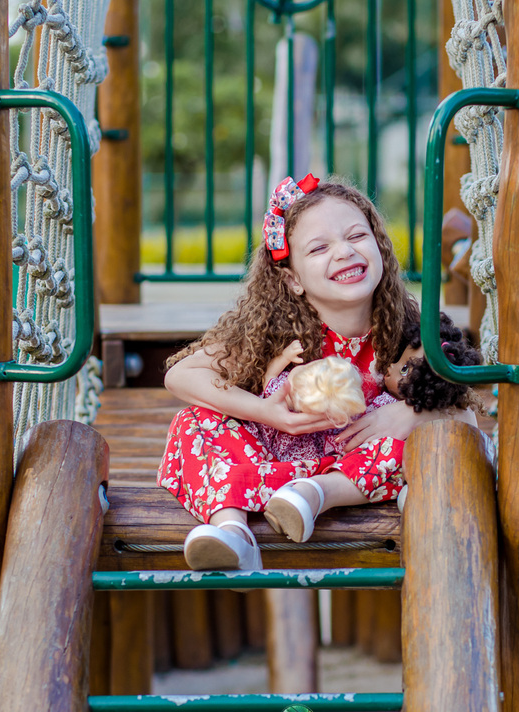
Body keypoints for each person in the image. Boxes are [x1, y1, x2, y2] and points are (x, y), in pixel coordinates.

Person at [158, 174, 475, 571]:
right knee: (194, 422)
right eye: (320, 247)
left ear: (379, 247)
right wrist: (269, 414)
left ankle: (315, 495)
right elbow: (181, 376)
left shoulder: (408, 329)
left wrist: (406, 413)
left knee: (418, 441)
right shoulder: (272, 330)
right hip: (266, 465)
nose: (343, 252)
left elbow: (466, 411)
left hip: (348, 470)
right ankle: (232, 532)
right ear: (292, 280)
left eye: (357, 236)